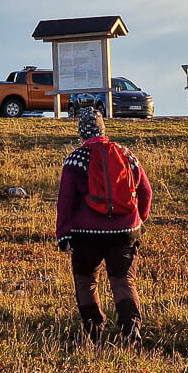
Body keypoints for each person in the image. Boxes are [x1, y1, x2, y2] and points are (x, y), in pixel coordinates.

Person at [56, 108, 152, 346]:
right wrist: (139, 221)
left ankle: (93, 332)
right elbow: (146, 191)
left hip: (86, 234)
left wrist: (63, 234)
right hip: (125, 231)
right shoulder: (127, 155)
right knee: (123, 280)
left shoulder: (76, 158)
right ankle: (131, 329)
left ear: (81, 132)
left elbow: (66, 200)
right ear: (103, 128)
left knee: (86, 280)